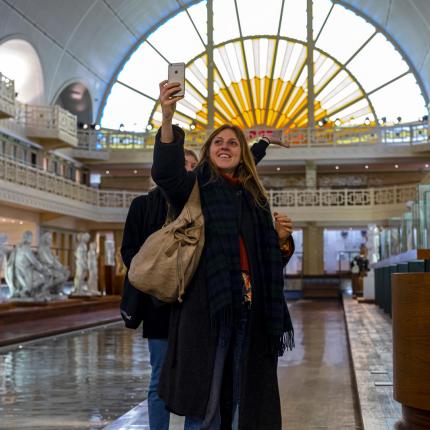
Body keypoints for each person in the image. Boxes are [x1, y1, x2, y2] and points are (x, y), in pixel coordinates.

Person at [151, 80, 295, 430]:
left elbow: (266, 262)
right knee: (208, 397)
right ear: (208, 151)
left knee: (242, 393)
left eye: (233, 142)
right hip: (209, 309)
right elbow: (166, 173)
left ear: (242, 153)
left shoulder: (252, 196)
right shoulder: (196, 188)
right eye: (219, 141)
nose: (226, 146)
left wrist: (281, 242)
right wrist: (168, 117)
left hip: (252, 309)